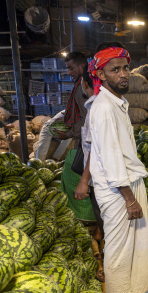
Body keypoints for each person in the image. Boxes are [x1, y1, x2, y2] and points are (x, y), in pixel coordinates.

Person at [88, 43, 148, 293]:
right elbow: (111, 157)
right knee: (119, 249)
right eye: (115, 70)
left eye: (125, 67)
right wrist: (129, 199)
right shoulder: (104, 108)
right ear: (102, 75)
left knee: (131, 245)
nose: (123, 74)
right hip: (118, 191)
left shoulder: (116, 103)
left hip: (125, 185)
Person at [73, 66, 105, 282]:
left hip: (99, 180)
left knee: (105, 224)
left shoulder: (96, 108)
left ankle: (107, 267)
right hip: (102, 179)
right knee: (104, 224)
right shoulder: (102, 106)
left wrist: (84, 181)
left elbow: (95, 148)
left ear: (85, 84)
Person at [57, 52, 96, 223]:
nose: (69, 72)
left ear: (82, 66)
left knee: (76, 179)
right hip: (82, 141)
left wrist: (69, 133)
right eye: (67, 68)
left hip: (84, 143)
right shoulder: (80, 86)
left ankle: (86, 222)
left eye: (71, 68)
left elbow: (86, 120)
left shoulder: (83, 87)